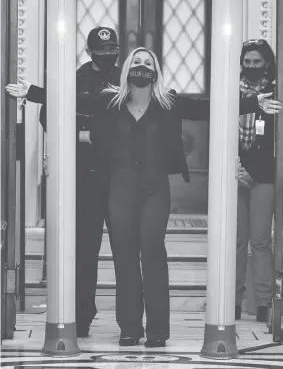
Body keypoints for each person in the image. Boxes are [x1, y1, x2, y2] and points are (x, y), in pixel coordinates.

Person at [76, 47, 281, 347]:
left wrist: (254, 102)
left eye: (148, 63)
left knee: (153, 251)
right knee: (124, 256)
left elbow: (211, 107)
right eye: (137, 62)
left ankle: (158, 329)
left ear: (156, 70)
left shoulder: (168, 101)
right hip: (119, 188)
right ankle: (130, 327)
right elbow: (68, 100)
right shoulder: (110, 100)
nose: (142, 67)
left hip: (154, 189)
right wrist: (29, 91)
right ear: (127, 68)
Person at [6, 26, 121, 337]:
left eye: (113, 52)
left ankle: (130, 323)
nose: (108, 57)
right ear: (89, 52)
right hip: (85, 179)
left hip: (121, 177)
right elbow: (50, 119)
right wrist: (78, 133)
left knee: (126, 251)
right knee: (85, 250)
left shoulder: (128, 79)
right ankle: (81, 315)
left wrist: (91, 132)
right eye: (102, 52)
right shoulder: (75, 79)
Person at [235, 39, 279, 322]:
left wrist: (254, 173)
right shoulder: (232, 92)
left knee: (260, 239)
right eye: (247, 62)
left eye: (256, 62)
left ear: (267, 64)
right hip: (235, 173)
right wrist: (237, 169)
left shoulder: (275, 92)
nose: (251, 67)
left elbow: (274, 140)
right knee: (236, 240)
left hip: (264, 176)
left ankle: (264, 302)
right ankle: (232, 300)